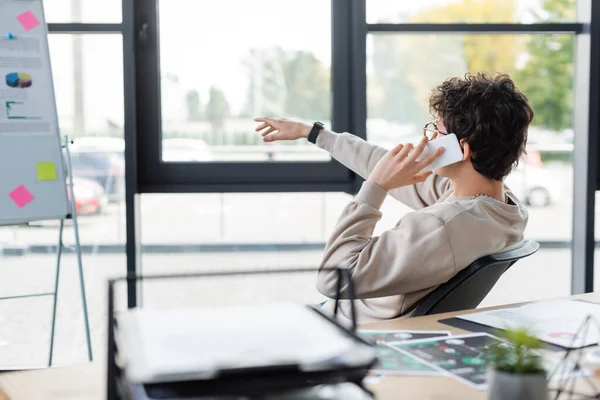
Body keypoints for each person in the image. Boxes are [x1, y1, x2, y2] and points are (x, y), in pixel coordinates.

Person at [254, 72, 533, 324]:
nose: (429, 138)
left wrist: (376, 187)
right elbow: (382, 161)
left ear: (462, 148)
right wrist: (314, 134)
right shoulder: (502, 207)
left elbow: (333, 278)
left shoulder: (442, 227)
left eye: (436, 131)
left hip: (343, 326)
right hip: (346, 318)